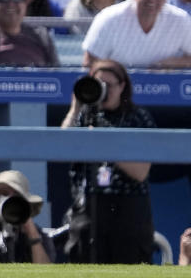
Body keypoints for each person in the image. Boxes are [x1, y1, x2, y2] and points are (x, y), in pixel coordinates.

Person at [61, 58, 156, 264]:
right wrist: (76, 107)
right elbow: (62, 147)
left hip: (127, 209)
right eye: (98, 85)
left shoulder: (138, 117)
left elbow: (141, 172)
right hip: (88, 207)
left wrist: (104, 144)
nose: (104, 91)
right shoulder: (85, 116)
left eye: (108, 86)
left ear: (122, 86)